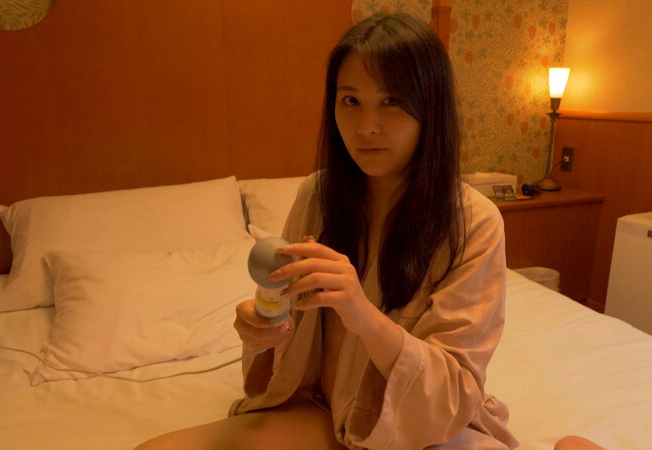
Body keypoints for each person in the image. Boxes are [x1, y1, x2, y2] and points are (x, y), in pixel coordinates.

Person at [138, 12, 601, 450]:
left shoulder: (473, 222)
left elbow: (453, 389)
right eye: (351, 101)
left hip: (414, 424)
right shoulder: (317, 196)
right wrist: (262, 330)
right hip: (324, 409)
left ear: (429, 108)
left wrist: (360, 312)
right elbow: (290, 334)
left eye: (391, 102)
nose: (367, 127)